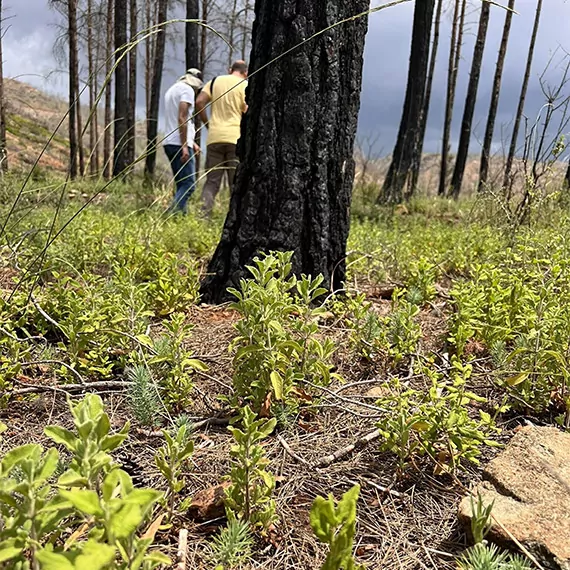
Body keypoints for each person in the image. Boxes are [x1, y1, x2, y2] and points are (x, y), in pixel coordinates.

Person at [196, 60, 248, 216]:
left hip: (214, 138)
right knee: (235, 184)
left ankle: (203, 217)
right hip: (235, 138)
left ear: (230, 69)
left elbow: (199, 102)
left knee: (212, 182)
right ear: (245, 73)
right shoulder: (244, 85)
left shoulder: (214, 82)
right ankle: (234, 218)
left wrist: (208, 124)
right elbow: (246, 110)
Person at [162, 68, 204, 214]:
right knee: (189, 184)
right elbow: (182, 117)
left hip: (170, 142)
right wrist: (185, 146)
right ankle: (171, 214)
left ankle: (180, 218)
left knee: (181, 184)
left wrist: (192, 143)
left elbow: (177, 120)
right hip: (179, 144)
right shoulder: (187, 91)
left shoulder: (172, 90)